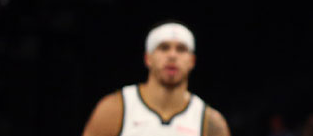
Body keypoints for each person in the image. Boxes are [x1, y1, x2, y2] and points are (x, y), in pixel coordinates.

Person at [82, 22, 230, 136]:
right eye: (164, 47)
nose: (172, 56)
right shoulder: (115, 108)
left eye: (181, 49)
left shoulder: (210, 121)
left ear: (192, 61)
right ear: (148, 58)